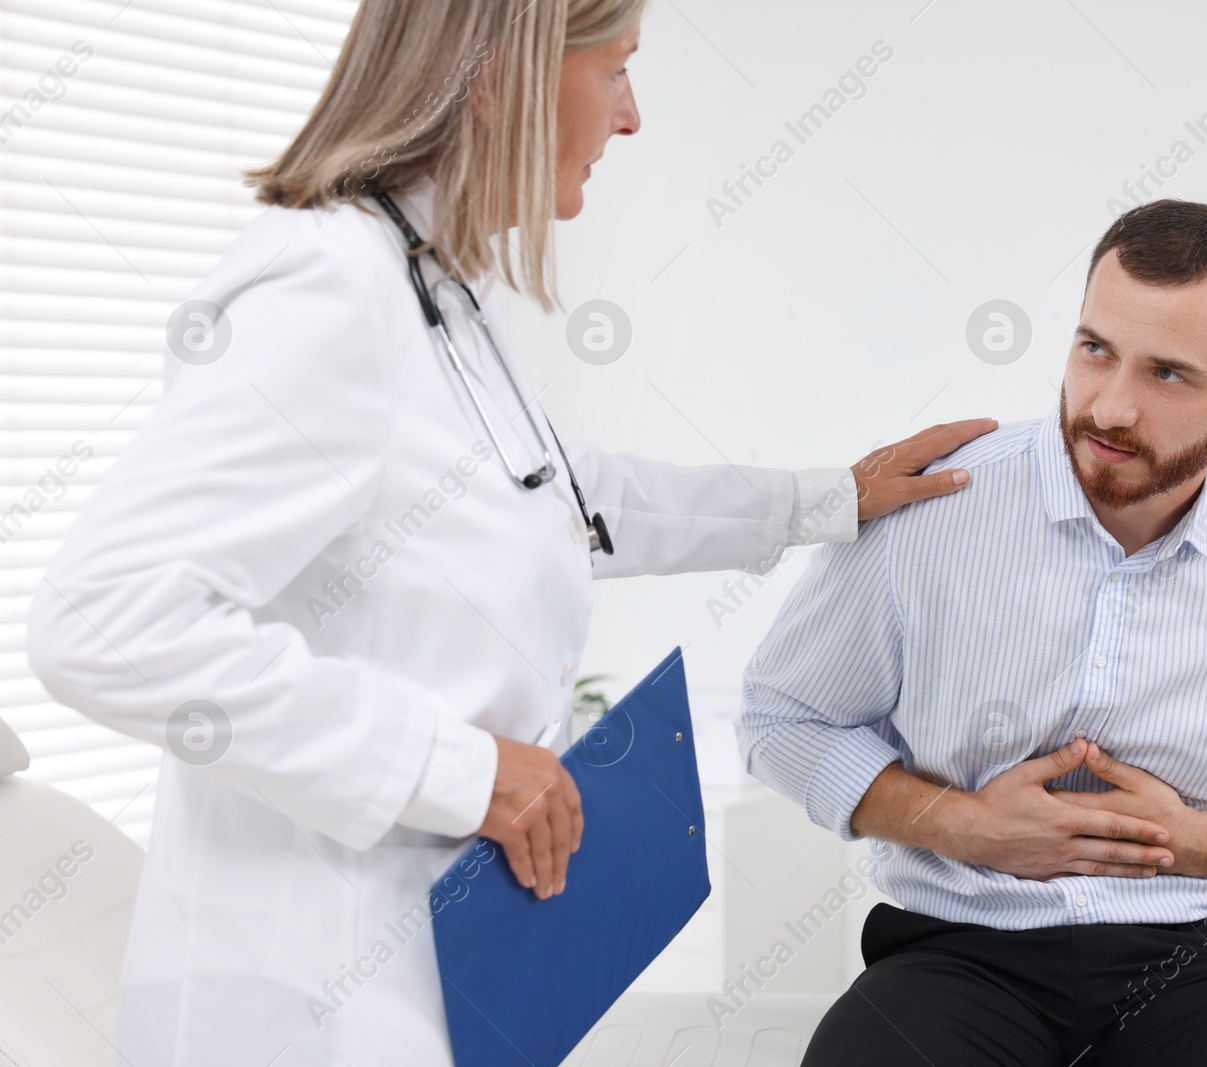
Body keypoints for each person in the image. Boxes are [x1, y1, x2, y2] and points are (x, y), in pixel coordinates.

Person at [22, 2, 994, 1064]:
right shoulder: (331, 286)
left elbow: (553, 498)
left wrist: (827, 497)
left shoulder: (437, 287)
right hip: (302, 997)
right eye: (616, 68)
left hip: (435, 967)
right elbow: (105, 620)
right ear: (504, 75)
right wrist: (459, 767)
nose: (631, 118)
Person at [737, 199, 1207, 1066]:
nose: (1112, 408)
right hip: (959, 942)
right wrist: (962, 823)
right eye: (1096, 350)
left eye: (1168, 374)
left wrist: (1196, 838)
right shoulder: (930, 510)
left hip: (1200, 952)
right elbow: (783, 719)